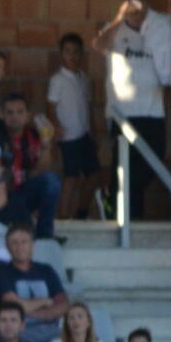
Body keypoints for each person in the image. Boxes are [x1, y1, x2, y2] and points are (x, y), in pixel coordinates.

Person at [94, 0, 171, 219]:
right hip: (122, 114)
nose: (135, 4)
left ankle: (113, 199)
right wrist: (119, 17)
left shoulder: (160, 28)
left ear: (148, 2)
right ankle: (128, 218)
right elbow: (99, 45)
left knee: (149, 165)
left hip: (153, 112)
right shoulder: (114, 29)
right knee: (123, 167)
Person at [0, 93, 60, 240]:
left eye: (20, 112)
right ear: (2, 115)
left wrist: (46, 145)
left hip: (21, 193)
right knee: (0, 184)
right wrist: (28, 175)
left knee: (51, 180)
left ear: (28, 115)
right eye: (9, 112)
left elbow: (43, 172)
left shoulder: (33, 135)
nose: (14, 117)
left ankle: (45, 236)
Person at [47, 33, 103, 222]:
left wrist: (94, 133)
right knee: (70, 177)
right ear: (61, 54)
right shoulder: (57, 80)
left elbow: (89, 107)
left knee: (94, 176)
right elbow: (50, 107)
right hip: (69, 136)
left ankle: (81, 213)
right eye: (68, 52)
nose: (72, 56)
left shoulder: (83, 78)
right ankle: (63, 219)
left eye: (76, 52)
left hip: (85, 135)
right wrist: (57, 127)